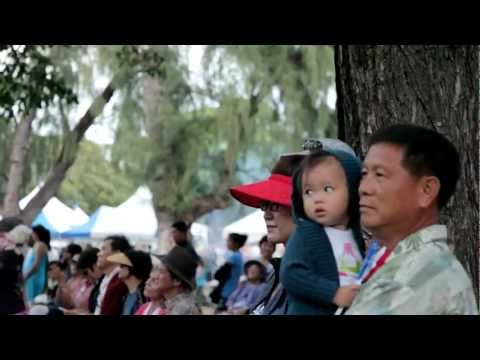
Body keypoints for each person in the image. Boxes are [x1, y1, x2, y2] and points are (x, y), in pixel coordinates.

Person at [346, 124, 478, 315]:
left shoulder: (413, 278)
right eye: (364, 174)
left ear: (426, 190)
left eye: (379, 175)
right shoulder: (416, 262)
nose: (364, 188)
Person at [230, 138, 356, 315]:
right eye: (265, 205)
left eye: (276, 204)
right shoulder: (280, 270)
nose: (266, 214)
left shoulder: (334, 273)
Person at [279, 146, 366, 315]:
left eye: (327, 189)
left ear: (354, 189)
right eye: (309, 192)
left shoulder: (356, 234)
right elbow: (291, 274)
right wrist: (332, 293)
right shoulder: (306, 234)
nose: (317, 199)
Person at [155, 246, 200, 315]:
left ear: (177, 281)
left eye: (161, 271)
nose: (156, 276)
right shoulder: (175, 304)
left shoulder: (182, 309)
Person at [93, 235, 132, 315]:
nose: (98, 254)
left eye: (103, 249)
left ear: (117, 254)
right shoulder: (105, 278)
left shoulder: (121, 281)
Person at [54, 248, 101, 313]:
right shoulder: (84, 282)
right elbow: (68, 303)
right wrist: (61, 283)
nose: (74, 267)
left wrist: (62, 284)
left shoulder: (100, 285)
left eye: (75, 264)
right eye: (72, 263)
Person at [107, 250, 153, 315]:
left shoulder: (143, 296)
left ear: (132, 268)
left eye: (122, 266)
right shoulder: (126, 293)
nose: (118, 269)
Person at [209, 233, 247, 308]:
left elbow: (219, 274)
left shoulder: (234, 257)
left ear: (235, 243)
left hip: (227, 290)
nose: (227, 243)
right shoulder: (239, 255)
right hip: (232, 289)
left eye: (229, 241)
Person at [23, 225, 51, 305]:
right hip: (31, 277)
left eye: (32, 233)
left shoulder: (41, 245)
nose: (31, 235)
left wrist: (26, 276)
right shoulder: (36, 245)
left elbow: (36, 265)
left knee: (34, 302)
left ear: (36, 233)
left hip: (35, 277)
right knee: (30, 301)